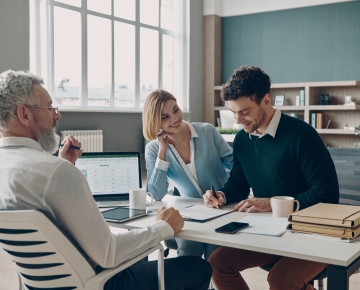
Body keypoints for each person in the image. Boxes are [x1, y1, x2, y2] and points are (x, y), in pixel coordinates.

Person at [0, 70, 212, 290]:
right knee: (197, 268)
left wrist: (64, 165)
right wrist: (164, 227)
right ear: (24, 114)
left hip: (45, 284)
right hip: (99, 282)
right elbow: (108, 254)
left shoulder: (33, 169)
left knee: (139, 253)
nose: (57, 115)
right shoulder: (55, 172)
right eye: (50, 107)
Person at [203, 66, 339, 290]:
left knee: (280, 281)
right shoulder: (242, 140)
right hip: (269, 230)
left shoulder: (302, 136)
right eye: (233, 112)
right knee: (217, 264)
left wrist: (272, 203)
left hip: (314, 231)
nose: (238, 120)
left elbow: (328, 194)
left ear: (266, 100)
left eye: (245, 112)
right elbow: (238, 184)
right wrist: (221, 194)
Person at [143, 89, 233, 260]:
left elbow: (235, 166)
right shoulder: (153, 149)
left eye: (175, 110)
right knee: (187, 252)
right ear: (155, 121)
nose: (175, 118)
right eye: (165, 117)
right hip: (189, 214)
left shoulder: (207, 131)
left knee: (216, 257)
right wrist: (163, 151)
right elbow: (155, 193)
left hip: (221, 207)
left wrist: (224, 191)